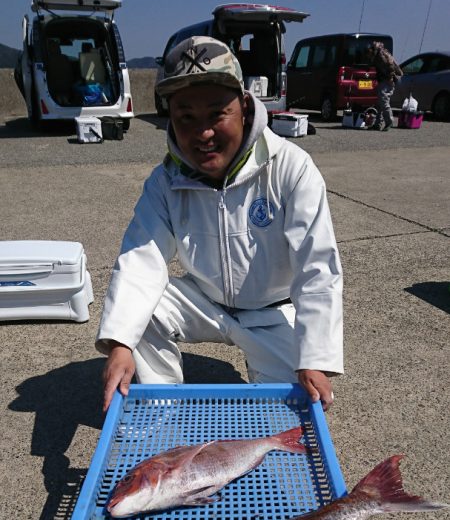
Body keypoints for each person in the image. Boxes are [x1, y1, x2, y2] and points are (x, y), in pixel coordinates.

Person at [96, 36, 343, 412]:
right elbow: (140, 261)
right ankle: (161, 411)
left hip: (272, 311)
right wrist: (120, 345)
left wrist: (316, 358)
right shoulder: (165, 180)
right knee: (136, 317)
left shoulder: (290, 167)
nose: (203, 133)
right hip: (205, 301)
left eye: (216, 113)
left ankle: (271, 367)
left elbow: (317, 267)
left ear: (244, 107)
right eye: (186, 118)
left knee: (290, 414)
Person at [366, 41, 403, 131]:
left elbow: (390, 66)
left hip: (387, 81)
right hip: (385, 80)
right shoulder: (379, 54)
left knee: (383, 101)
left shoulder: (381, 55)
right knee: (379, 104)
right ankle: (377, 124)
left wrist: (390, 77)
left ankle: (389, 122)